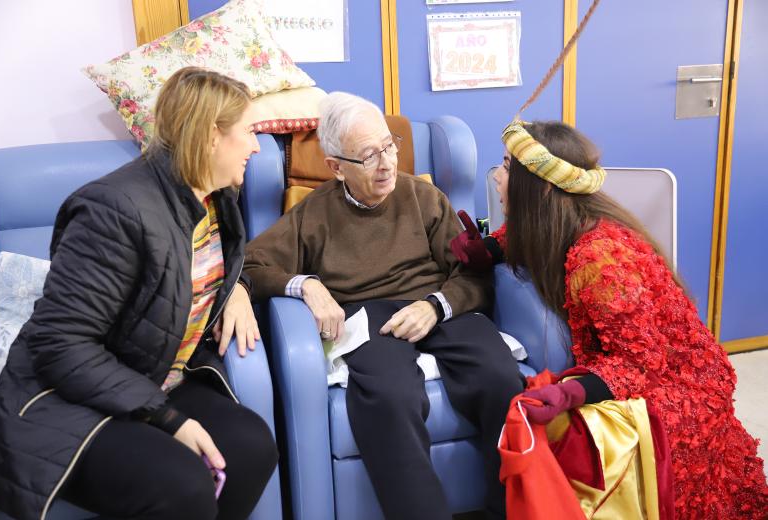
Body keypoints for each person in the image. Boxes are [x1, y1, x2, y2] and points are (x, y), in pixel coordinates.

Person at [0, 67, 278, 520]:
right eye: (249, 132)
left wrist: (237, 288)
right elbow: (60, 344)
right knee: (181, 485)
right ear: (209, 136)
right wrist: (166, 418)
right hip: (67, 397)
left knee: (253, 446)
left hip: (151, 376)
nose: (258, 146)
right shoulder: (114, 210)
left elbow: (193, 277)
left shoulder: (216, 200)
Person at [452, 119, 768, 518]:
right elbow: (522, 235)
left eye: (508, 168)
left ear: (543, 187)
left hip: (679, 387)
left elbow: (640, 365)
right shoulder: (560, 219)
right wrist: (488, 250)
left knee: (573, 445)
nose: (497, 177)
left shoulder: (601, 260)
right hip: (643, 369)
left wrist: (568, 393)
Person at [243, 91, 524, 519]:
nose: (387, 163)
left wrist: (436, 306)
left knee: (500, 377)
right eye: (369, 155)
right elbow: (251, 264)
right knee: (390, 399)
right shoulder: (312, 215)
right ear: (336, 167)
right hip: (367, 313)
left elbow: (471, 272)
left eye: (389, 147)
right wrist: (305, 285)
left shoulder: (424, 197)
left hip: (436, 301)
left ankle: (509, 511)